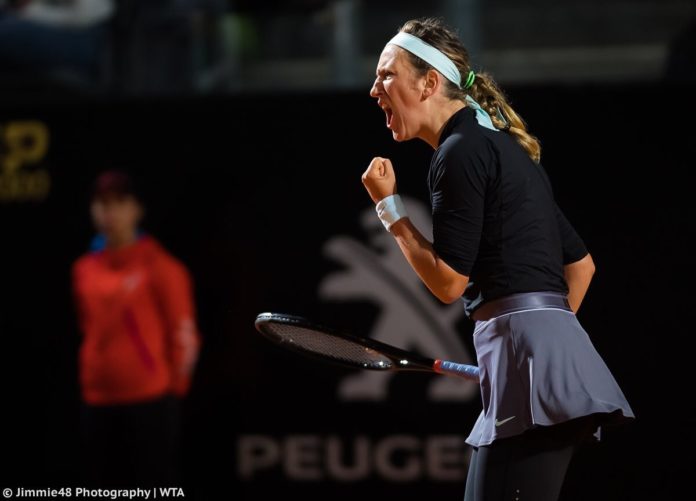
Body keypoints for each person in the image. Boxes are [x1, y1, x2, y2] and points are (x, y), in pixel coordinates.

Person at [361, 17, 634, 501]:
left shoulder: (459, 152)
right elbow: (581, 267)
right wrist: (539, 351)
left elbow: (448, 283)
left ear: (429, 83)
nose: (374, 89)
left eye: (386, 75)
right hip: (540, 365)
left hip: (530, 371)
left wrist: (390, 209)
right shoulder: (501, 148)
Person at [72, 170, 200, 487]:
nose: (109, 212)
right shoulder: (83, 269)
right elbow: (88, 328)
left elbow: (184, 334)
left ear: (136, 209)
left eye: (119, 202)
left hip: (150, 401)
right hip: (97, 399)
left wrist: (173, 389)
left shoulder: (162, 267)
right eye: (102, 203)